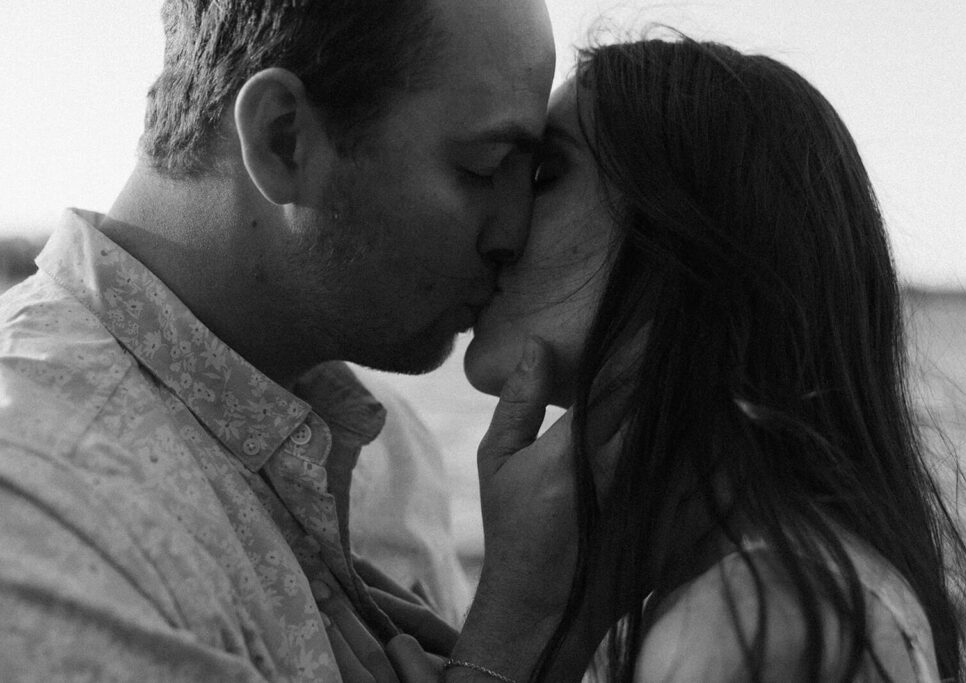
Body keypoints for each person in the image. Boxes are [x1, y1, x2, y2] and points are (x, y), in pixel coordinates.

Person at [0, 0, 564, 680]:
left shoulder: (391, 454)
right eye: (484, 167)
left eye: (533, 178)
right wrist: (516, 635)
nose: (514, 231)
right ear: (283, 138)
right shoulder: (43, 511)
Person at [465, 35, 966, 681]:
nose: (498, 225)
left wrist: (513, 626)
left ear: (682, 249)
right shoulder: (751, 592)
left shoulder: (759, 618)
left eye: (546, 175)